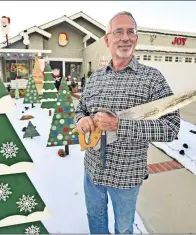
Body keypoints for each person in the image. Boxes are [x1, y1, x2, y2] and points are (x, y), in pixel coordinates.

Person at [74, 11, 180, 234]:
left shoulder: (152, 79)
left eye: (130, 31)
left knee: (123, 228)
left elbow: (171, 127)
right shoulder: (96, 78)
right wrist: (82, 119)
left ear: (136, 38)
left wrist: (119, 126)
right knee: (95, 218)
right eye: (118, 32)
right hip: (92, 170)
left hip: (127, 174)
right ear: (107, 40)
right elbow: (80, 109)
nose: (125, 37)